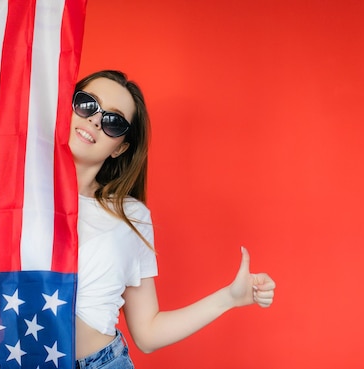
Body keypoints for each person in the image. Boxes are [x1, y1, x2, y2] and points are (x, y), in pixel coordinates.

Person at [69, 70, 276, 369]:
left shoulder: (131, 216)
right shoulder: (8, 198)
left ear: (121, 147)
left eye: (114, 121)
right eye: (87, 104)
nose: (95, 120)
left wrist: (228, 298)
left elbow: (147, 332)